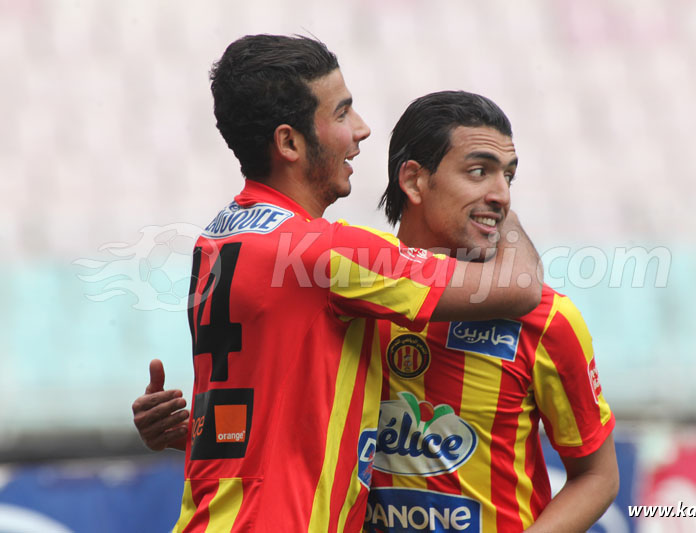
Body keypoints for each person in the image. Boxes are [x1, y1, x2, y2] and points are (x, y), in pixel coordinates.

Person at [136, 89, 617, 532]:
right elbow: (283, 434)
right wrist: (193, 431)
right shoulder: (342, 306)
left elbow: (597, 475)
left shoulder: (547, 320)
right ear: (413, 180)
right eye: (479, 171)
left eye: (508, 176)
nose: (502, 194)